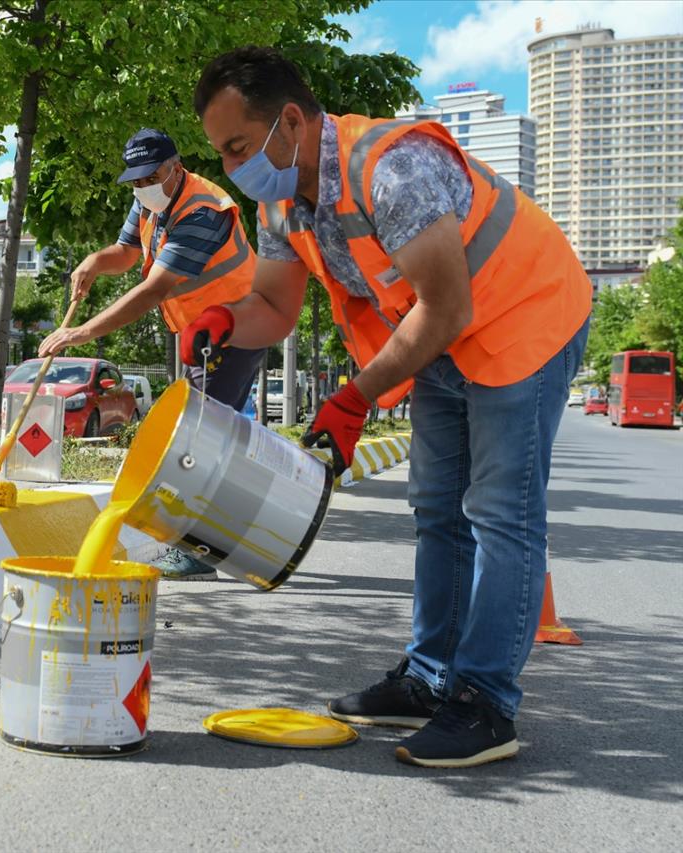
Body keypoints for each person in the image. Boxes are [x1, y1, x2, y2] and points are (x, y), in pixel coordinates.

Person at [187, 46, 590, 768]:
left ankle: (486, 703)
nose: (231, 168)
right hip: (443, 336)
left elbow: (446, 303)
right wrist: (224, 319)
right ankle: (430, 677)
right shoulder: (280, 201)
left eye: (239, 148)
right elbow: (274, 306)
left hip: (524, 312)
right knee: (437, 507)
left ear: (288, 121)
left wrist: (355, 397)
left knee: (501, 512)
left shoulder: (392, 167)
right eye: (221, 154)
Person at [38, 128, 267, 579]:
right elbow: (126, 252)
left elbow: (154, 289)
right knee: (213, 432)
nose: (144, 187)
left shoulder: (203, 210)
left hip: (236, 326)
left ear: (175, 167)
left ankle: (199, 551)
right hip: (200, 332)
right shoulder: (151, 200)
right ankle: (232, 531)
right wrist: (93, 262)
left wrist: (81, 333)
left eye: (152, 177)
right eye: (137, 182)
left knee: (200, 438)